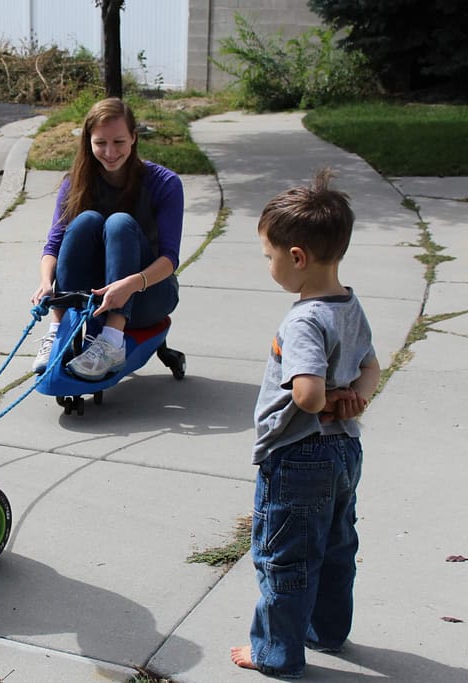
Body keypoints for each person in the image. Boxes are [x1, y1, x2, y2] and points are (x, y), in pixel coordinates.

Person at [230, 169, 381, 679]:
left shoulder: (304, 320)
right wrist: (355, 399)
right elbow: (371, 366)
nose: (267, 264)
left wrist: (329, 398)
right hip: (344, 454)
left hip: (298, 456)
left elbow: (307, 393)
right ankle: (328, 631)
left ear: (297, 257)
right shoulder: (350, 303)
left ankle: (276, 654)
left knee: (285, 557)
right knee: (337, 546)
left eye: (268, 255)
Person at [30, 97, 183, 380]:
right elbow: (53, 245)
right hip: (94, 296)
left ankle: (112, 339)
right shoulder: (75, 182)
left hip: (147, 293)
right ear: (88, 141)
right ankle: (58, 332)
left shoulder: (165, 183)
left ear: (134, 138)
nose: (110, 152)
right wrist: (45, 284)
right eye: (101, 143)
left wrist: (129, 285)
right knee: (85, 220)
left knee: (119, 223)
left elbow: (170, 259)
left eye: (119, 142)